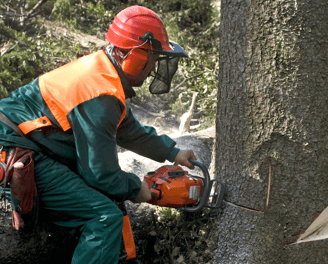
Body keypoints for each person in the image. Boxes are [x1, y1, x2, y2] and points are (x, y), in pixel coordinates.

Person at [0, 5, 196, 264]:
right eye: (153, 60)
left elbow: (128, 130)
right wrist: (137, 188)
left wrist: (173, 152)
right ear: (136, 57)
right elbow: (100, 174)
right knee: (104, 217)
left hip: (31, 141)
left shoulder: (102, 74)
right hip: (17, 147)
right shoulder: (100, 95)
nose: (152, 69)